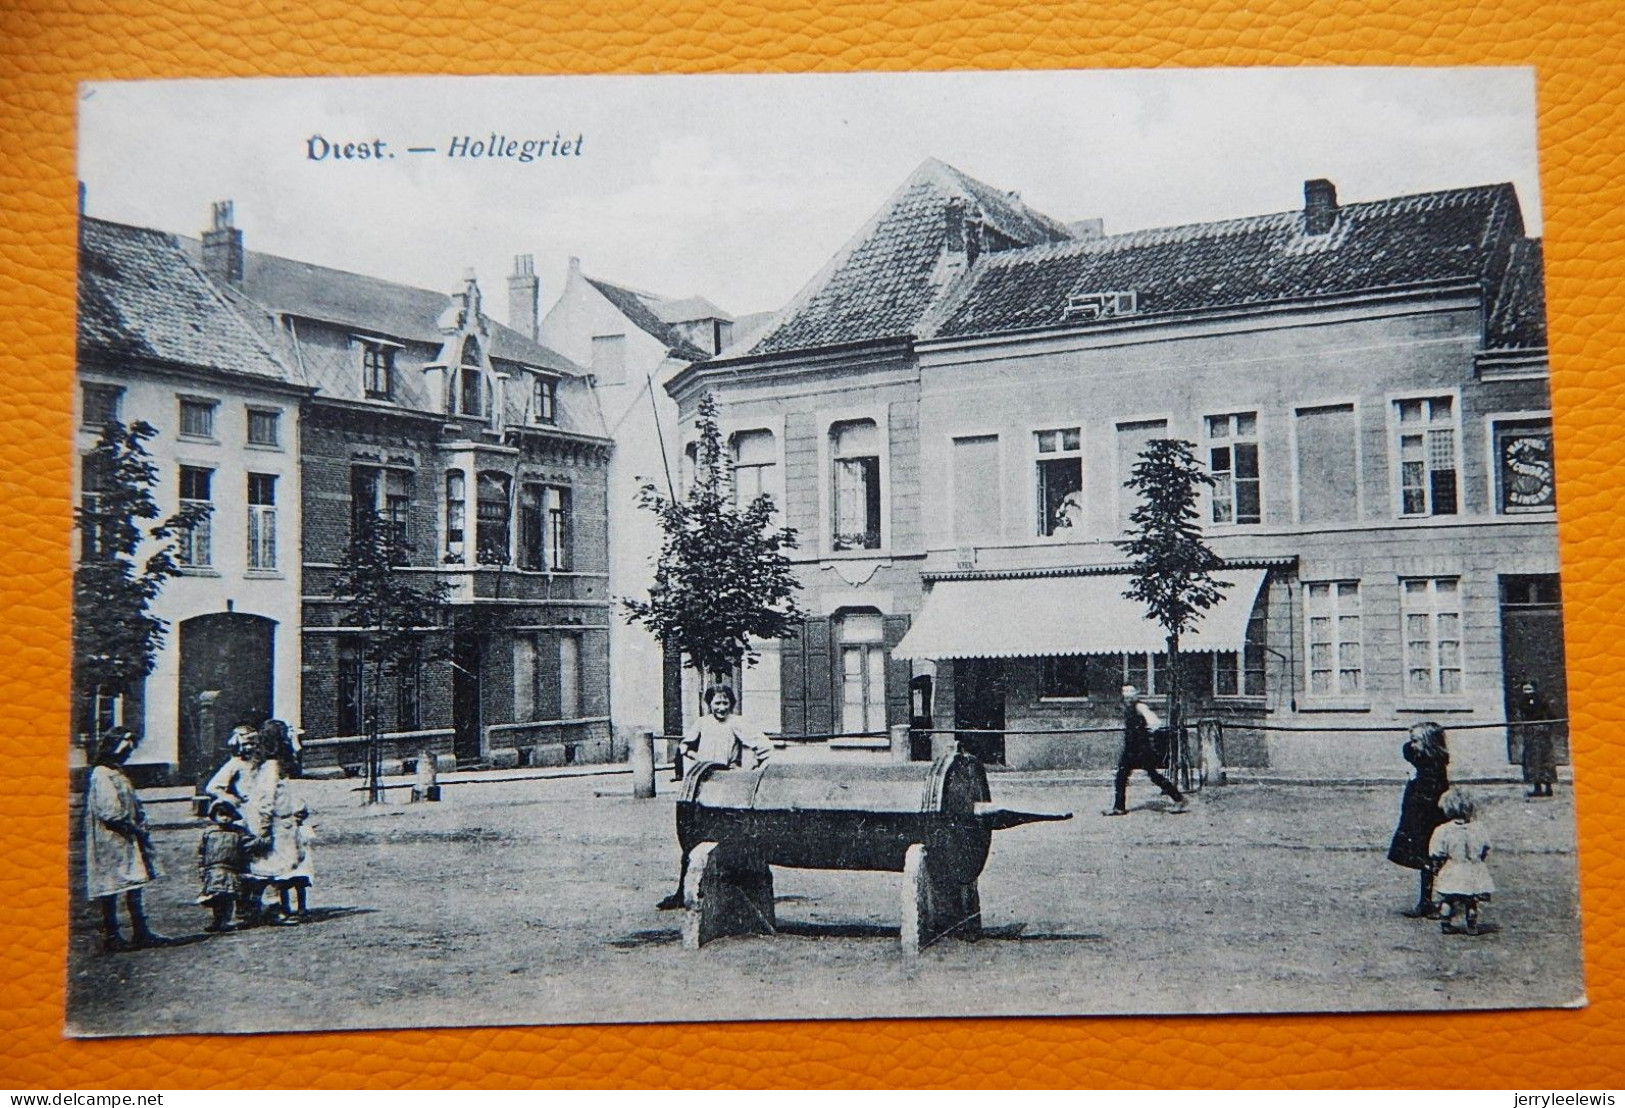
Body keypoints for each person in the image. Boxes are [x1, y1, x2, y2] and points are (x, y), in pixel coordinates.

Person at [656, 685, 773, 910]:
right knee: (691, 838)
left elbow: (763, 746)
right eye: (717, 703)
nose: (721, 707)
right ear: (709, 704)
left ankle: (734, 892)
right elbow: (684, 747)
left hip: (726, 785)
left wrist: (750, 771)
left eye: (725, 703)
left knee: (727, 837)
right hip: (701, 783)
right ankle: (683, 891)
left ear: (731, 704)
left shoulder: (737, 723)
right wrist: (695, 758)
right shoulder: (702, 723)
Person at [83, 728, 166, 951]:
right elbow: (110, 811)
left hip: (127, 836)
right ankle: (112, 935)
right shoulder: (101, 774)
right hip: (111, 839)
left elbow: (132, 802)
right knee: (111, 885)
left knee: (134, 883)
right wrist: (132, 827)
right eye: (124, 752)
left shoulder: (117, 772)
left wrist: (140, 821)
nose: (126, 757)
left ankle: (141, 931)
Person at [247, 720, 311, 925]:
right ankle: (273, 911)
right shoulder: (271, 767)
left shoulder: (271, 766)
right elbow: (266, 801)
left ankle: (274, 909)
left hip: (282, 823)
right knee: (275, 869)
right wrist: (264, 830)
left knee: (279, 868)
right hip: (276, 825)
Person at [1388, 721, 1451, 918]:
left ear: (1428, 743)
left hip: (1428, 817)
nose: (1411, 745)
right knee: (1424, 861)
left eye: (1415, 741)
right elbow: (1407, 751)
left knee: (1432, 860)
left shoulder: (1434, 764)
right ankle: (1426, 901)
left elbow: (1433, 793)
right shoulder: (1422, 758)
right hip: (1418, 815)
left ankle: (1437, 902)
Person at [1103, 685, 1188, 816]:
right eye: (1125, 692)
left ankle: (1179, 799)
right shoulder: (1128, 708)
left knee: (1153, 776)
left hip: (1142, 749)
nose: (1127, 695)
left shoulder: (1140, 707)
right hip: (1131, 749)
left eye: (1130, 692)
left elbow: (1155, 723)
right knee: (1121, 775)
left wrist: (1147, 735)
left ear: (1136, 693)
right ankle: (1119, 807)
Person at [1428, 787, 1495, 935]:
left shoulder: (1443, 830)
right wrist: (1479, 859)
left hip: (1453, 868)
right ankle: (1472, 925)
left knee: (1448, 899)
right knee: (1471, 901)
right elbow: (1485, 847)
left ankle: (1445, 923)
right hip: (1473, 868)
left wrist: (1437, 865)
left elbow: (1436, 852)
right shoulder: (1478, 828)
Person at [197, 799, 247, 933]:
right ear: (214, 816)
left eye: (228, 815)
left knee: (229, 896)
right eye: (221, 815)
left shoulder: (238, 833)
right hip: (213, 869)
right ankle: (217, 920)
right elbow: (202, 851)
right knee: (215, 896)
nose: (225, 818)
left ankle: (227, 920)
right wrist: (202, 867)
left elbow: (244, 850)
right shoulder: (209, 833)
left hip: (231, 869)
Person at [1514, 679, 1557, 798]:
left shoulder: (1540, 700)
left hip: (1541, 733)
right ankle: (1537, 787)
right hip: (1530, 734)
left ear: (1534, 690)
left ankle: (1548, 787)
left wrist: (1545, 726)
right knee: (1533, 760)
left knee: (1545, 759)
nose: (1527, 693)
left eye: (1529, 689)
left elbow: (1550, 715)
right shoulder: (1523, 702)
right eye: (1525, 690)